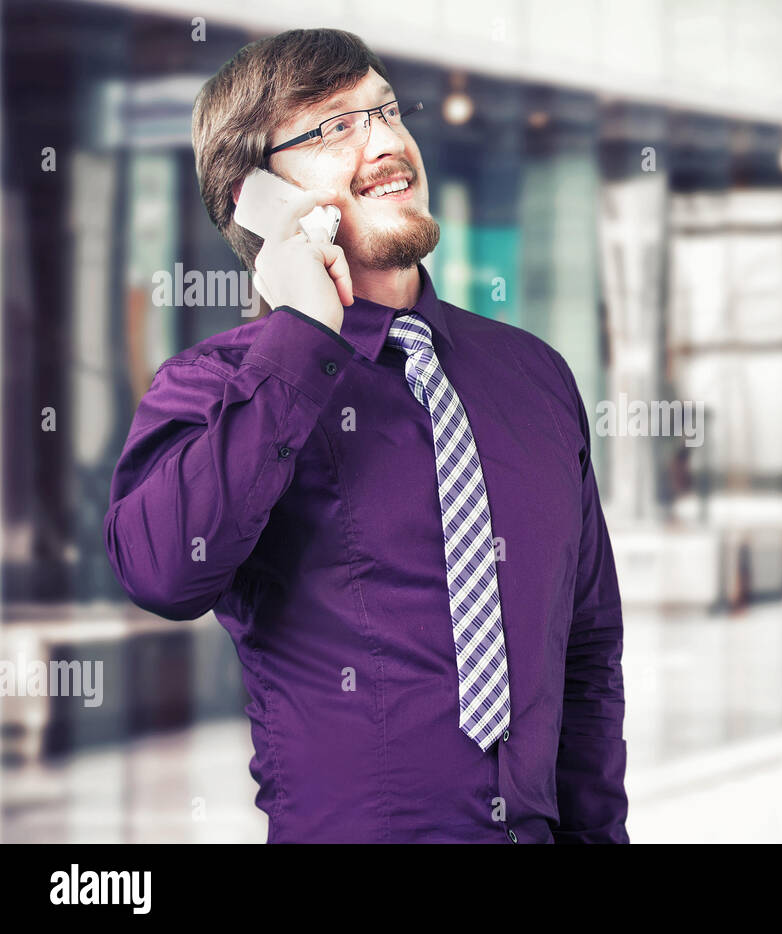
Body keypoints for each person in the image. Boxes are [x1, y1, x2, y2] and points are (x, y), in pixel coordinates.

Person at [103, 28, 629, 844]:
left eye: (386, 111)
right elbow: (162, 572)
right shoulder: (216, 389)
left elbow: (588, 654)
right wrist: (302, 336)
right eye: (332, 127)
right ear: (256, 197)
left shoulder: (534, 377)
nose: (385, 142)